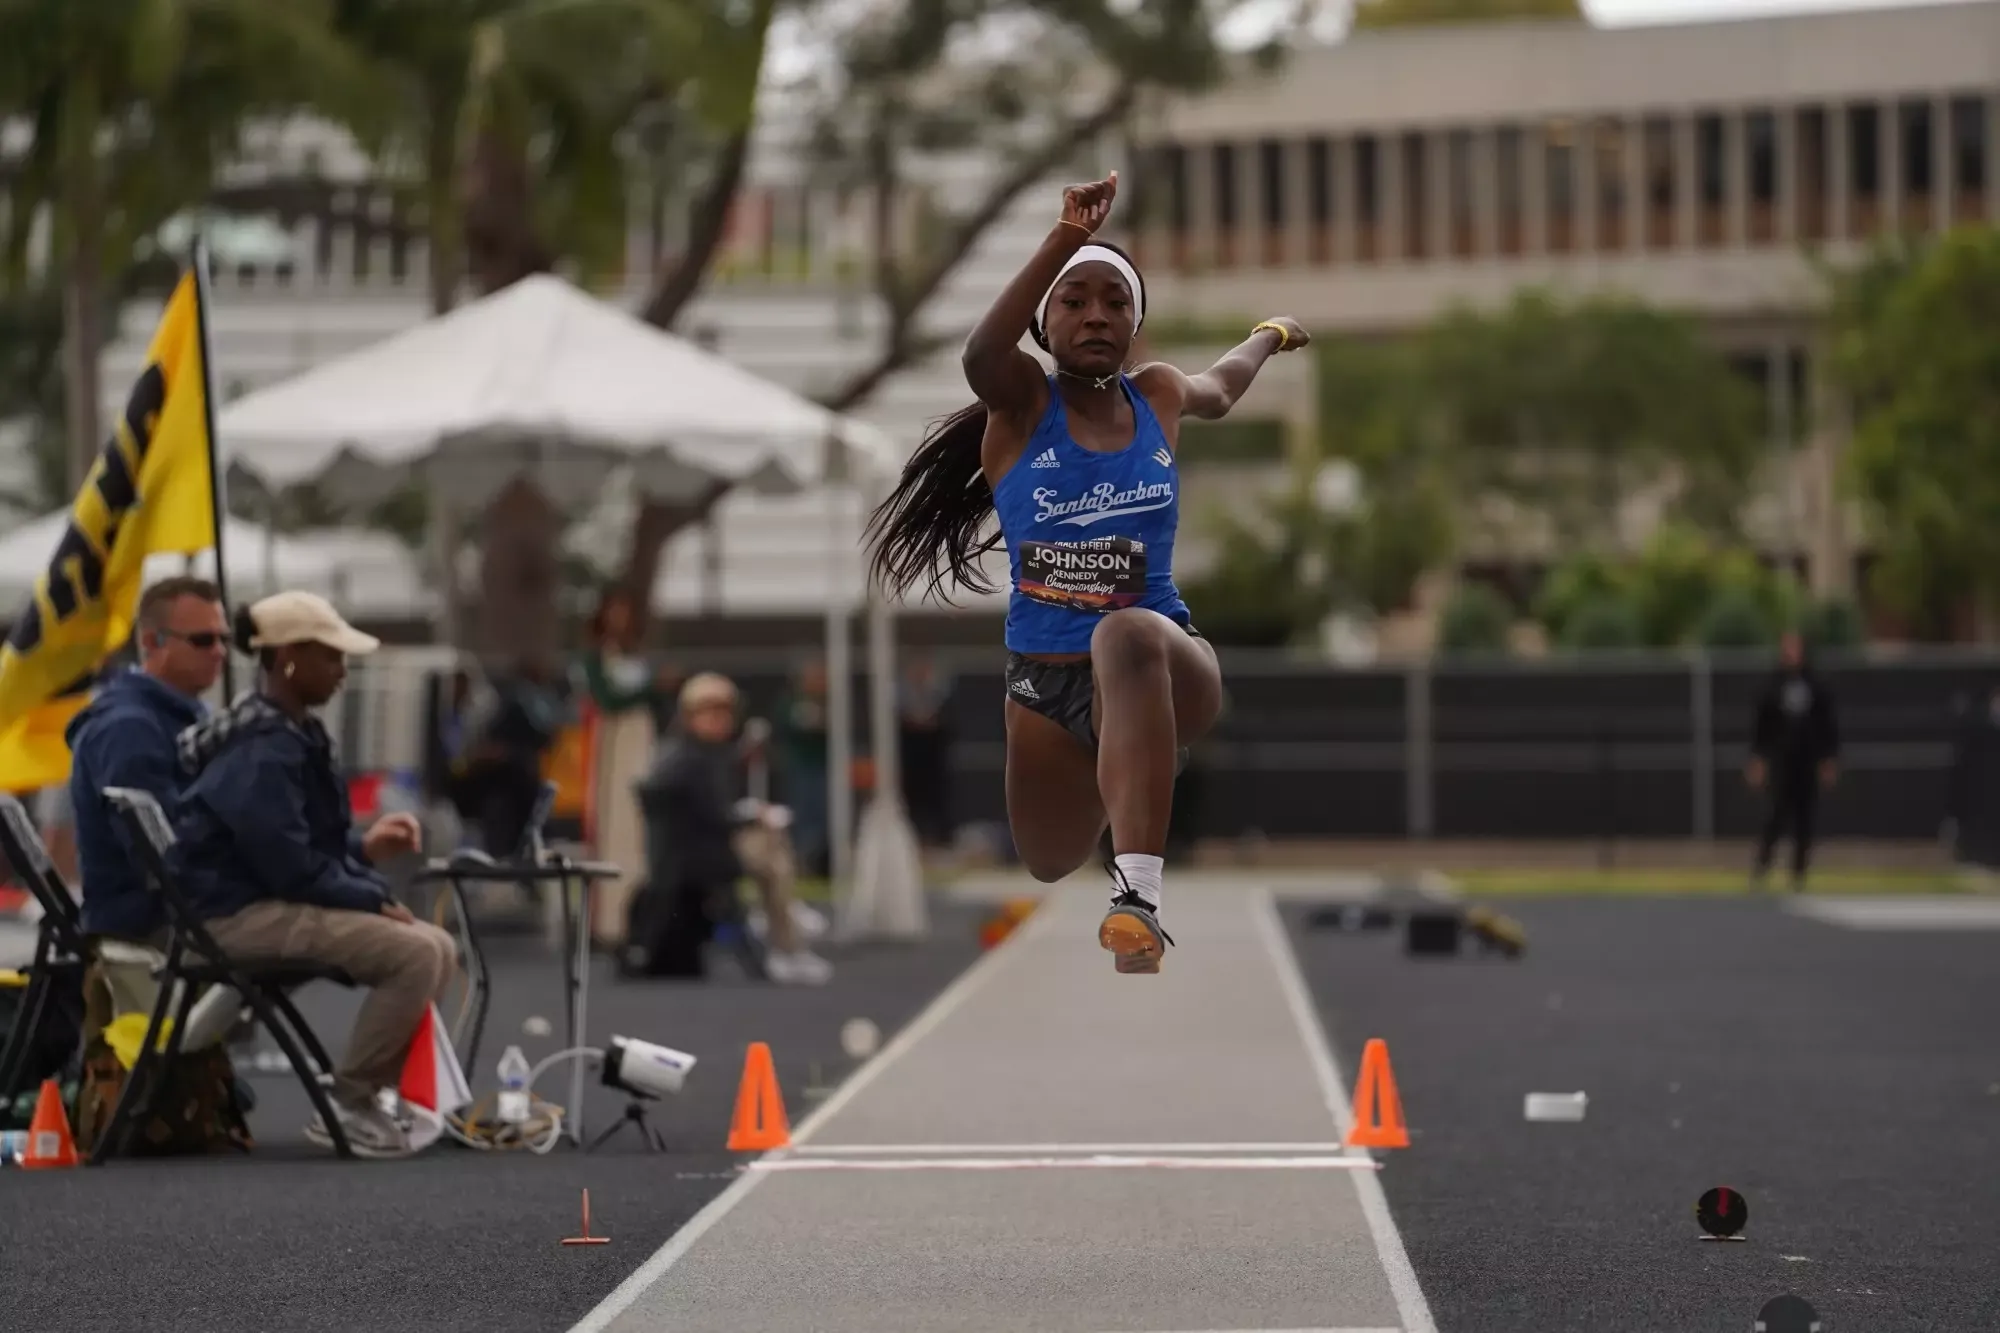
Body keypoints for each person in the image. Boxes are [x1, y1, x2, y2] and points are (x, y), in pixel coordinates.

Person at [864, 171, 1307, 973]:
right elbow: (979, 350)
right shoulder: (1023, 406)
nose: (1098, 313)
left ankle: (1137, 899)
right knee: (1045, 858)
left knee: (1126, 631)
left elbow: (1224, 388)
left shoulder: (1159, 394)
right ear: (1045, 322)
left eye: (1116, 300)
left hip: (1164, 660)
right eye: (1076, 300)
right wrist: (1067, 233)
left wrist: (1268, 333)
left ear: (1138, 320)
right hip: (1043, 684)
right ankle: (1121, 775)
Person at [169, 591, 457, 1158]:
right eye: (332, 658)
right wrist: (373, 898)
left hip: (253, 903)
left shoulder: (286, 732)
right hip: (231, 918)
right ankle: (349, 1102)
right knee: (418, 953)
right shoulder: (263, 749)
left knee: (437, 945)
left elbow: (300, 845)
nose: (343, 673)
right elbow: (289, 866)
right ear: (290, 657)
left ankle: (369, 1094)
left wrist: (365, 849)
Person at [631, 673, 833, 984]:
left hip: (704, 846)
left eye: (725, 713)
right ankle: (787, 936)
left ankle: (788, 923)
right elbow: (713, 816)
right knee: (769, 851)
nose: (720, 721)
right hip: (699, 855)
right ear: (691, 716)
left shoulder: (706, 754)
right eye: (711, 714)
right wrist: (752, 815)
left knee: (771, 842)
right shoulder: (688, 760)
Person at [66, 576, 230, 945]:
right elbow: (162, 858)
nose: (219, 651)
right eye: (203, 640)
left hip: (185, 911)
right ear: (151, 642)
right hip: (152, 922)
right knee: (379, 950)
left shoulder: (186, 718)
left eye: (224, 639)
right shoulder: (129, 728)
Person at [577, 587, 677, 946]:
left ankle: (642, 916)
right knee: (616, 827)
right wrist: (652, 687)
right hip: (615, 747)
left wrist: (659, 690)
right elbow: (609, 699)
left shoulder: (638, 657)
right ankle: (609, 925)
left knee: (641, 830)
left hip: (642, 742)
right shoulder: (595, 659)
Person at [1748, 630, 1841, 891]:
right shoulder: (1772, 685)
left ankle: (1798, 874)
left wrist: (1828, 760)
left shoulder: (1817, 685)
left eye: (1795, 647)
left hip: (1807, 762)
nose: (1790, 653)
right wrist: (1758, 760)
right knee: (1775, 816)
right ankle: (1761, 869)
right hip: (1781, 762)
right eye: (1786, 648)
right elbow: (1761, 726)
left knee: (1805, 819)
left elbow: (1828, 726)